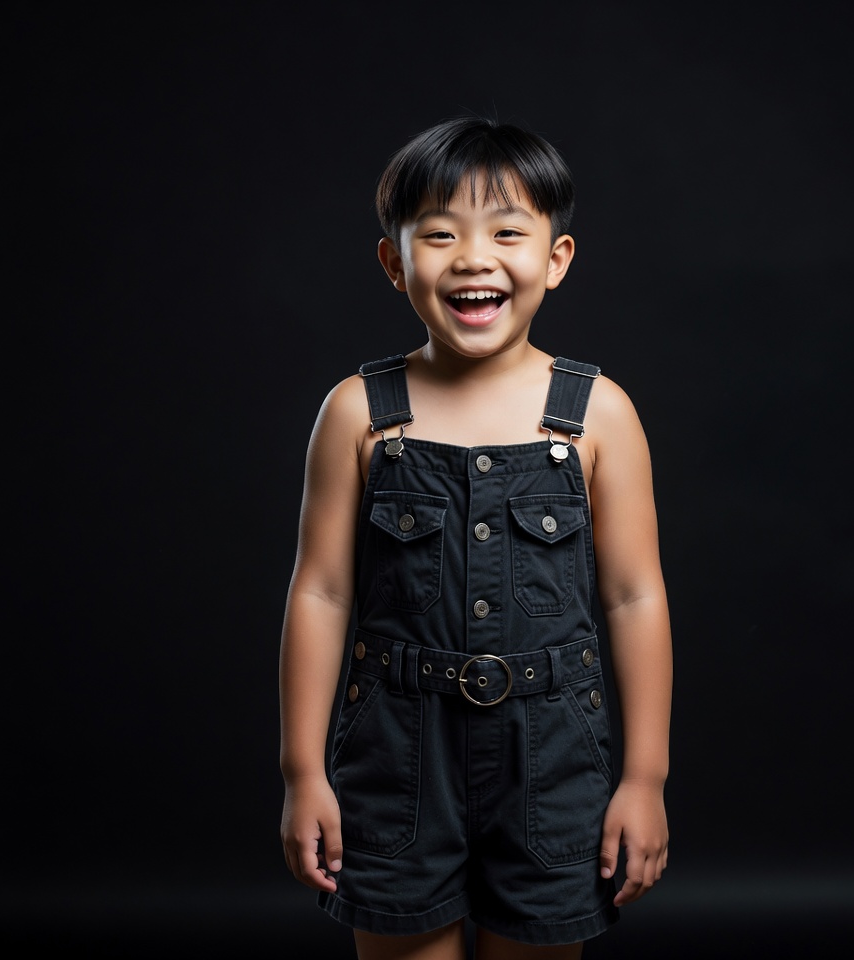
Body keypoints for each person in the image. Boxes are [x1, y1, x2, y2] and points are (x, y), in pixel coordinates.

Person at [279, 116, 673, 960]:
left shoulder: (598, 412)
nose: (472, 257)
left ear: (556, 259)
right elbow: (321, 590)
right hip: (394, 757)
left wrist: (645, 778)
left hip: (553, 761)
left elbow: (635, 596)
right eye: (440, 235)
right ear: (396, 263)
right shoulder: (358, 410)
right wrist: (302, 771)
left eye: (506, 233)